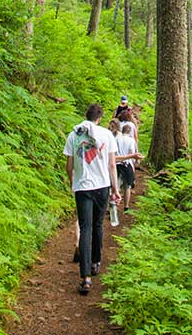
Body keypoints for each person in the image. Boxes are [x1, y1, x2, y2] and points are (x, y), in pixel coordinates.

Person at [63, 103, 121, 295]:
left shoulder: (74, 134)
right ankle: (96, 262)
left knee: (85, 228)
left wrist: (74, 183)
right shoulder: (107, 135)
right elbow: (112, 165)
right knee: (98, 225)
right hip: (102, 186)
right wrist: (116, 188)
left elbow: (69, 166)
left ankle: (86, 277)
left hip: (83, 187)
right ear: (100, 118)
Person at [116, 121, 142, 211]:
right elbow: (133, 152)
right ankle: (126, 206)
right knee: (127, 186)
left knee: (116, 186)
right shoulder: (131, 140)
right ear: (130, 131)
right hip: (127, 164)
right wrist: (136, 162)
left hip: (117, 164)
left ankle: (113, 206)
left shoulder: (117, 139)